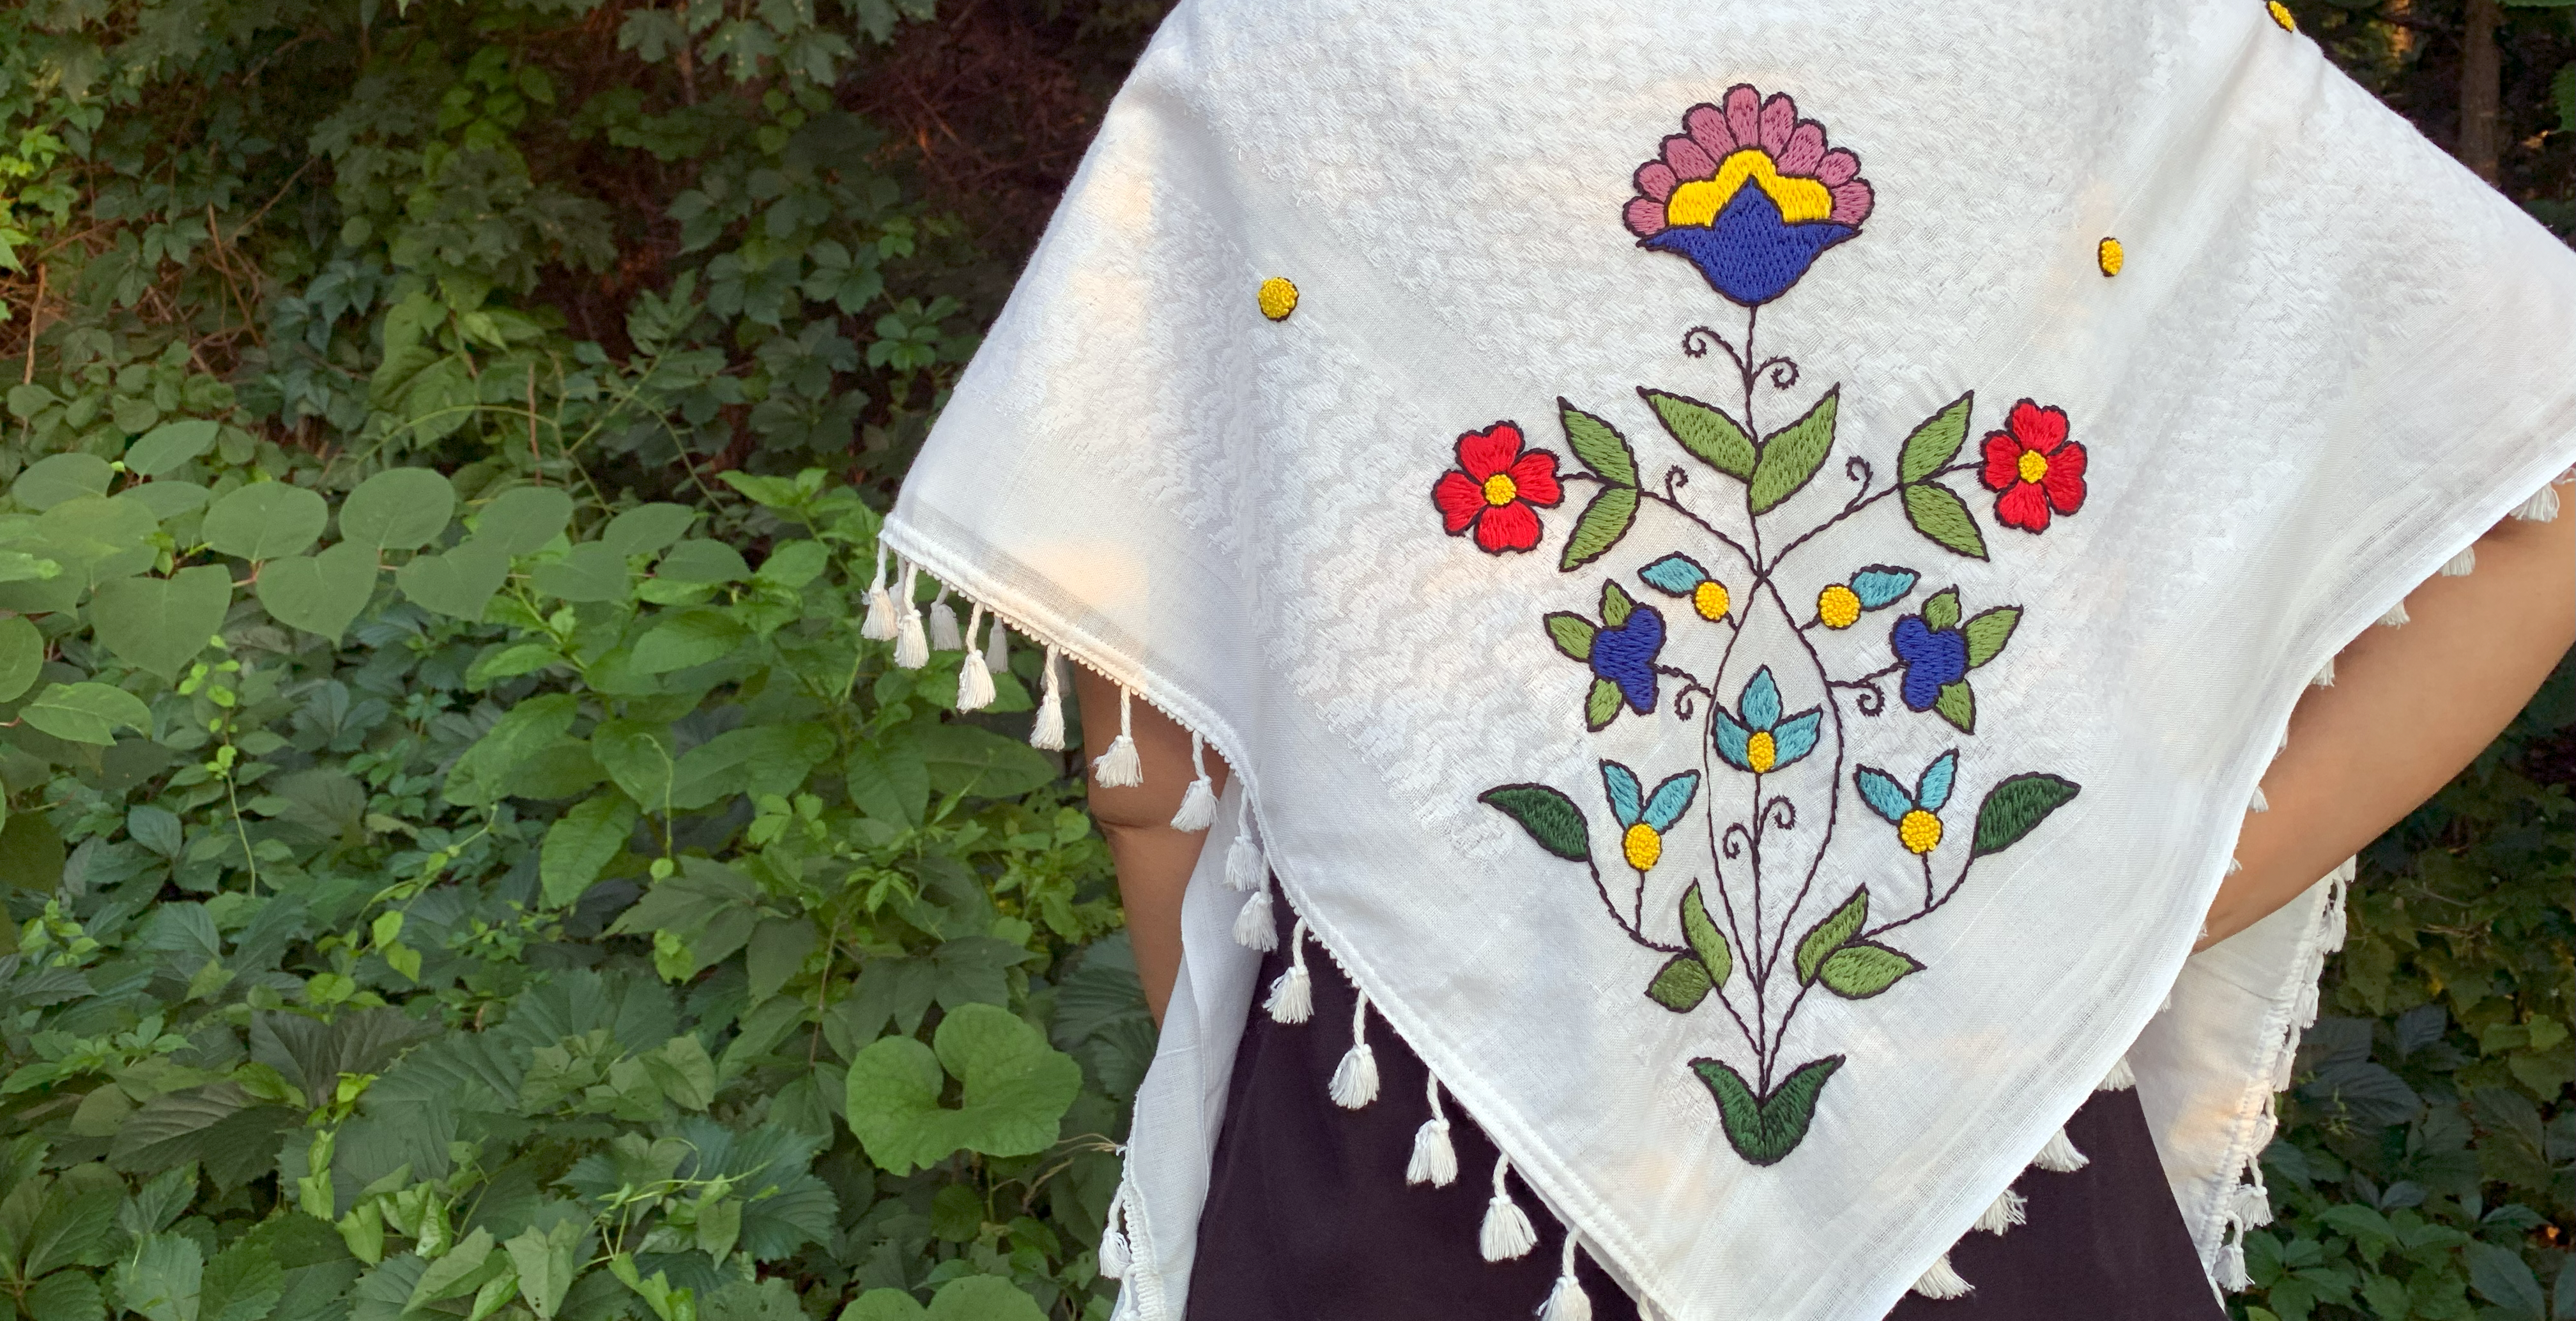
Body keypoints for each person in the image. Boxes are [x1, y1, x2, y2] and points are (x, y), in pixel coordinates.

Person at [872, 1, 2576, 1316]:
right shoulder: (2103, 36)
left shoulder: (1296, 42)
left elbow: (1152, 708)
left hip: (1390, 1167)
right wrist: (2055, 912)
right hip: (1993, 1161)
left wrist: (1289, 1076)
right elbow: (2542, 477)